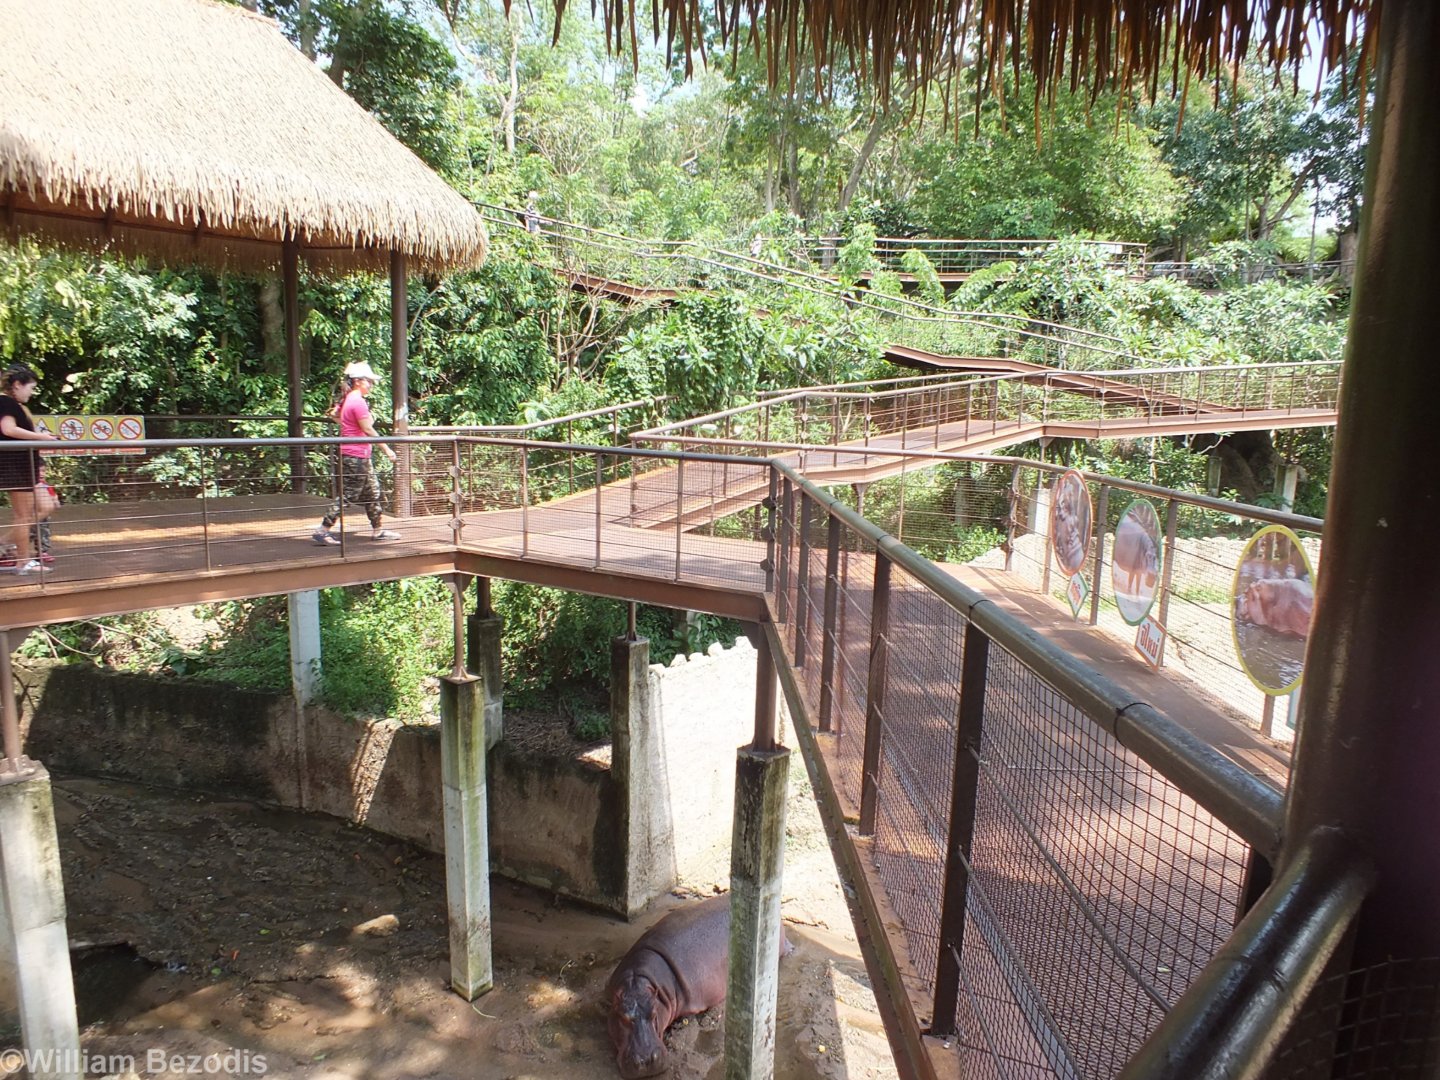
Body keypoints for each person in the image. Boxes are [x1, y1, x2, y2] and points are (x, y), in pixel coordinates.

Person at [312, 361, 400, 545]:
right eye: (369, 381)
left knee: (372, 492)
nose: (371, 385)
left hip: (360, 455)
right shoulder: (357, 401)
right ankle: (323, 530)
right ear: (359, 381)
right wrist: (387, 450)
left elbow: (335, 415)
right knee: (349, 495)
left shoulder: (348, 399)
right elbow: (368, 430)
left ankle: (378, 530)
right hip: (355, 455)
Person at [0, 365, 58, 573]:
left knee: (46, 505)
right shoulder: (5, 401)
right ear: (17, 385)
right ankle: (22, 562)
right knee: (22, 515)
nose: (31, 393)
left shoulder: (14, 404)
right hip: (15, 466)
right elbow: (8, 429)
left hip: (26, 465)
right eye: (30, 388)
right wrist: (41, 437)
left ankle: (5, 542)